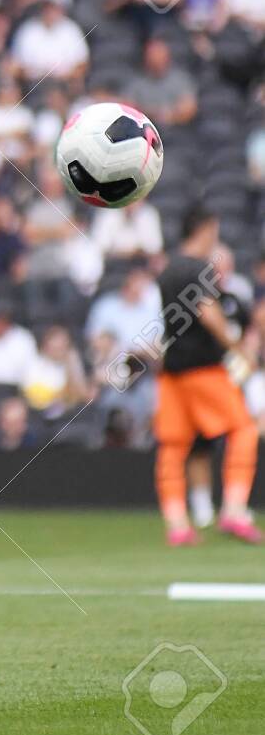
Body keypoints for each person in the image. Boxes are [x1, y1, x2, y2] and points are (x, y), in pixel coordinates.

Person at [153, 208, 260, 546]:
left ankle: (177, 523)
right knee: (243, 429)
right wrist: (240, 349)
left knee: (173, 445)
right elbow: (209, 314)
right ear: (206, 229)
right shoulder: (200, 268)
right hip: (204, 367)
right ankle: (234, 509)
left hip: (173, 369)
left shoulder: (168, 269)